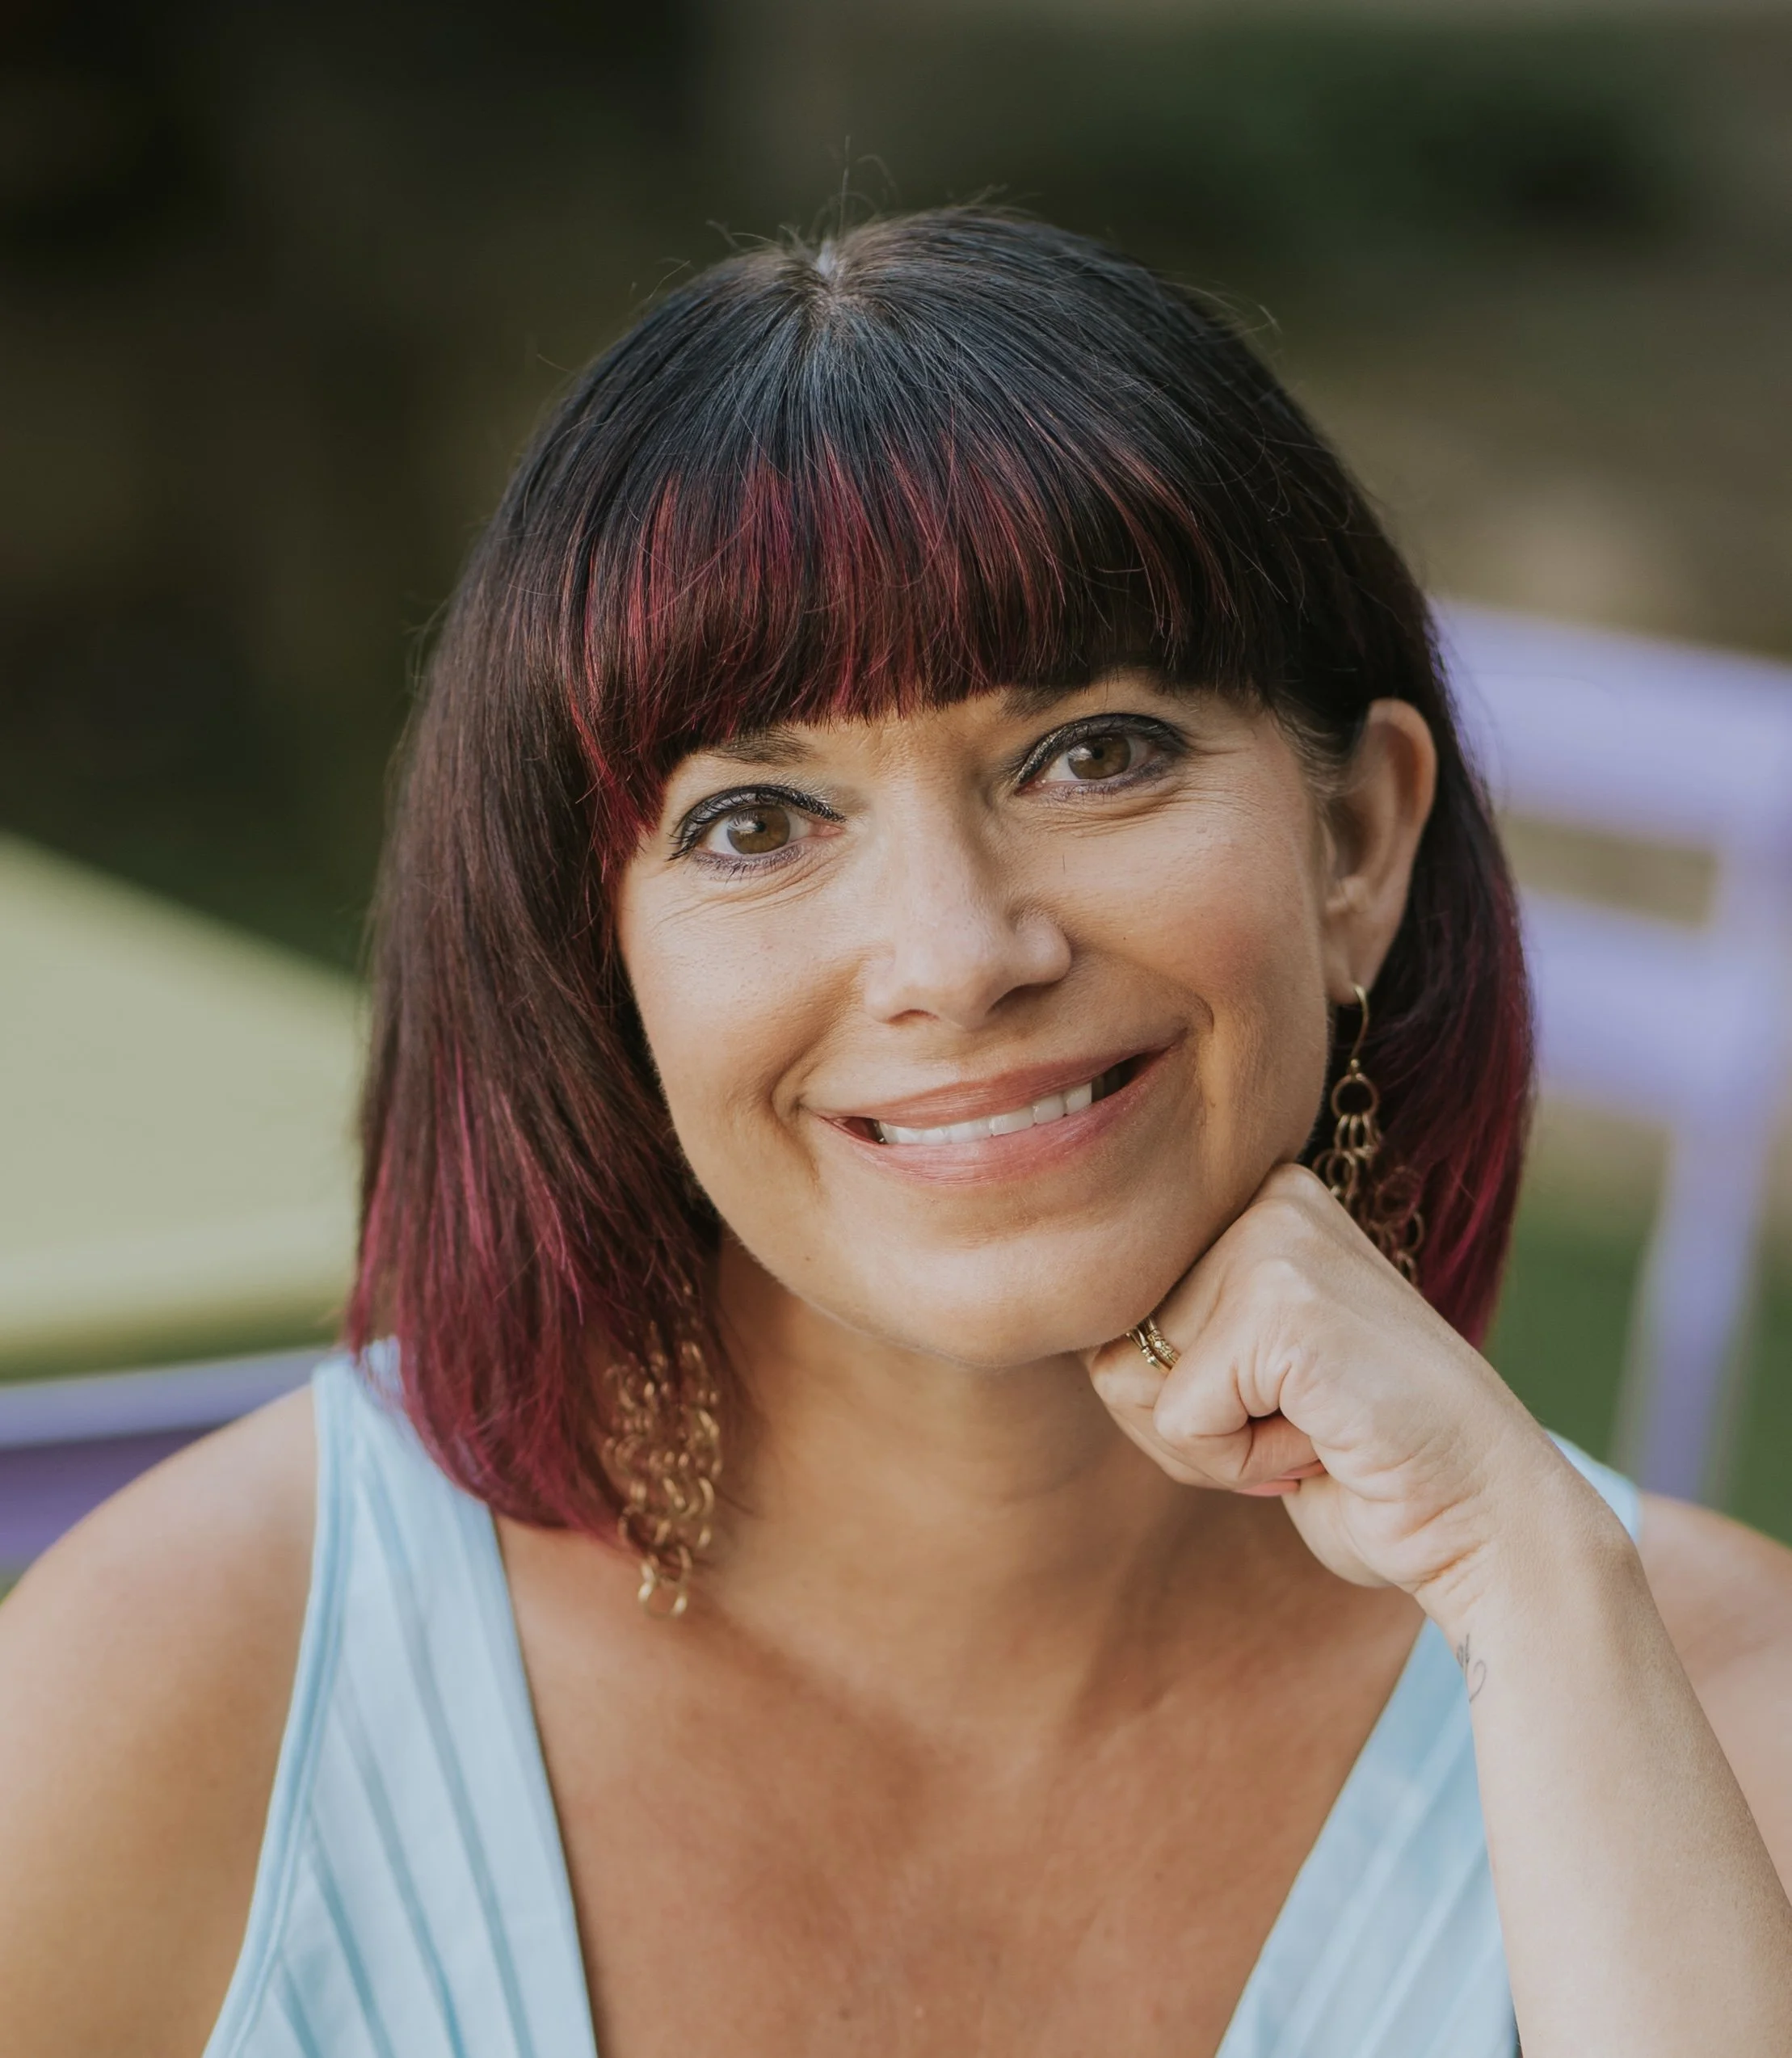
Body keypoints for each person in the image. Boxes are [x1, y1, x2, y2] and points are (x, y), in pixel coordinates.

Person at [2, 208, 1789, 2058]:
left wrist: (1537, 1596)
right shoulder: (187, 1681)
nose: (954, 955)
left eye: (1091, 751)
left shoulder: (1708, 1701)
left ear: (1354, 847)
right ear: (590, 953)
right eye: (756, 821)